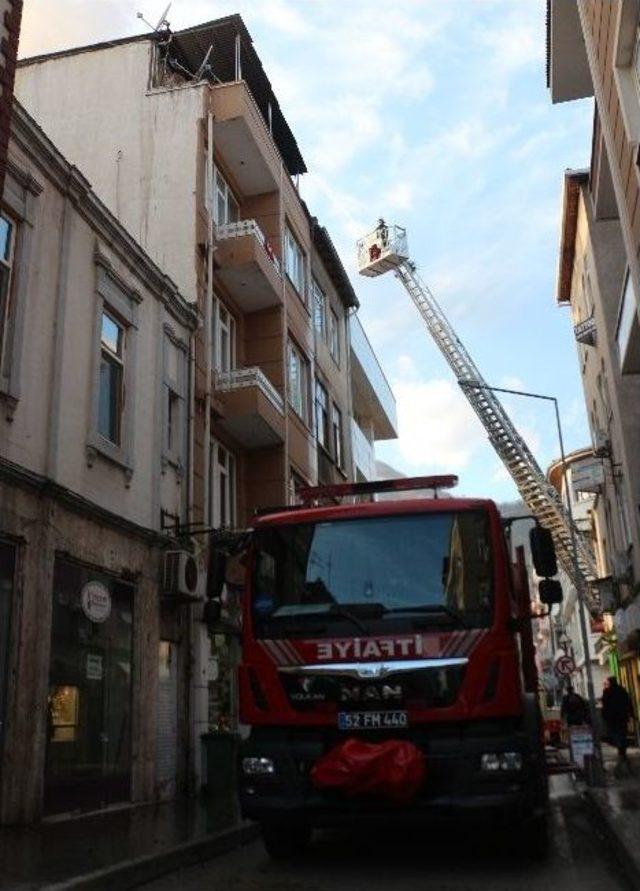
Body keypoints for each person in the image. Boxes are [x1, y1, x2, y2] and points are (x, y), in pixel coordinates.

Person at [602, 675, 635, 777]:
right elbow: (628, 702)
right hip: (622, 716)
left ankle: (620, 747)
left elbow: (605, 705)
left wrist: (605, 716)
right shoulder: (622, 690)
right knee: (622, 732)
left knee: (616, 732)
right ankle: (622, 748)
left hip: (613, 717)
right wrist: (632, 714)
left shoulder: (607, 692)